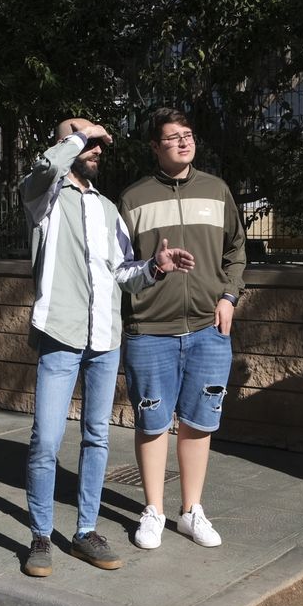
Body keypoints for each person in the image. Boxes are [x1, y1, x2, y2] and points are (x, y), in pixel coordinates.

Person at [19, 118, 195, 578]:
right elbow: (41, 171)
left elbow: (122, 274)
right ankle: (39, 536)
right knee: (46, 440)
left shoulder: (106, 209)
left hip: (105, 341)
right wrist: (83, 132)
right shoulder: (44, 198)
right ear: (65, 145)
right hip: (60, 335)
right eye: (86, 143)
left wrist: (153, 269)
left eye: (99, 144)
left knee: (97, 437)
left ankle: (84, 531)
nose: (97, 149)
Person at [118, 108, 247, 550]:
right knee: (152, 421)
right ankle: (153, 509)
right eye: (172, 138)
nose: (184, 143)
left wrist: (229, 297)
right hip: (149, 328)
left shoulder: (217, 190)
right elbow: (119, 268)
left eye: (188, 135)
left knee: (199, 422)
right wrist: (154, 266)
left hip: (209, 328)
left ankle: (191, 511)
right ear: (155, 146)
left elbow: (237, 251)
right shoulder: (133, 199)